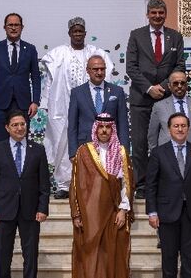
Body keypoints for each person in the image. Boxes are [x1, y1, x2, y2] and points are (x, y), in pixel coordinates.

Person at [41, 17, 114, 199]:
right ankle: (64, 184)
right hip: (62, 106)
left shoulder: (95, 52)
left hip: (88, 107)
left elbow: (107, 76)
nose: (78, 34)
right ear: (69, 33)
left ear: (85, 33)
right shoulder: (58, 54)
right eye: (75, 31)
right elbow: (49, 82)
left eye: (81, 31)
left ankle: (92, 180)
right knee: (61, 144)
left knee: (92, 141)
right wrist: (45, 102)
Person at [126, 0, 185, 196]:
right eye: (154, 13)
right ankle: (141, 185)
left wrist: (165, 86)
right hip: (141, 99)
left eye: (161, 13)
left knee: (166, 142)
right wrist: (149, 88)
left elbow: (179, 66)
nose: (157, 16)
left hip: (165, 98)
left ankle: (165, 183)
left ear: (165, 14)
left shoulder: (175, 37)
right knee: (141, 143)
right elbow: (131, 67)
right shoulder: (136, 35)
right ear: (148, 14)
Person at [0, 111, 50, 278]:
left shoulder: (38, 150)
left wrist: (43, 208)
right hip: (4, 210)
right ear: (7, 128)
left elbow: (44, 184)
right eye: (15, 125)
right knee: (2, 255)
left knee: (30, 255)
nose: (20, 128)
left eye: (22, 124)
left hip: (31, 211)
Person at [146, 112, 191, 278]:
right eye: (176, 126)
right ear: (169, 129)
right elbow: (151, 185)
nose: (180, 129)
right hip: (167, 213)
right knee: (168, 259)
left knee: (190, 259)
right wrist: (152, 212)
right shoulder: (158, 153)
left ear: (188, 129)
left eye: (183, 126)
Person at [69, 114, 134, 278]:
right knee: (90, 257)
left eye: (108, 127)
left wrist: (123, 210)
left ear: (112, 129)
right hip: (89, 214)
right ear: (95, 128)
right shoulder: (84, 151)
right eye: (101, 127)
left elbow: (126, 184)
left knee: (112, 254)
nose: (104, 131)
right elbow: (76, 185)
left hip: (113, 212)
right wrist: (76, 213)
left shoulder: (121, 152)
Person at [0, 13, 41, 142]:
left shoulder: (30, 49)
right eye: (10, 25)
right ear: (4, 27)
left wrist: (35, 101)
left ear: (22, 27)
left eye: (17, 25)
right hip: (0, 104)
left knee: (21, 140)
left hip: (23, 104)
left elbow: (36, 77)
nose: (13, 28)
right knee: (0, 141)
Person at [68, 55, 130, 160]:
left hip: (112, 149)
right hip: (85, 147)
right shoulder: (77, 93)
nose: (99, 72)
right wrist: (73, 153)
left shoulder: (117, 91)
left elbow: (123, 124)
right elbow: (72, 126)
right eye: (95, 69)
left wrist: (124, 151)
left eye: (102, 69)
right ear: (87, 70)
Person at [149, 71, 191, 150]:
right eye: (175, 83)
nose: (179, 86)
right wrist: (155, 155)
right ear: (169, 86)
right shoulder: (159, 106)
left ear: (187, 85)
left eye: (183, 83)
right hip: (167, 154)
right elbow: (152, 135)